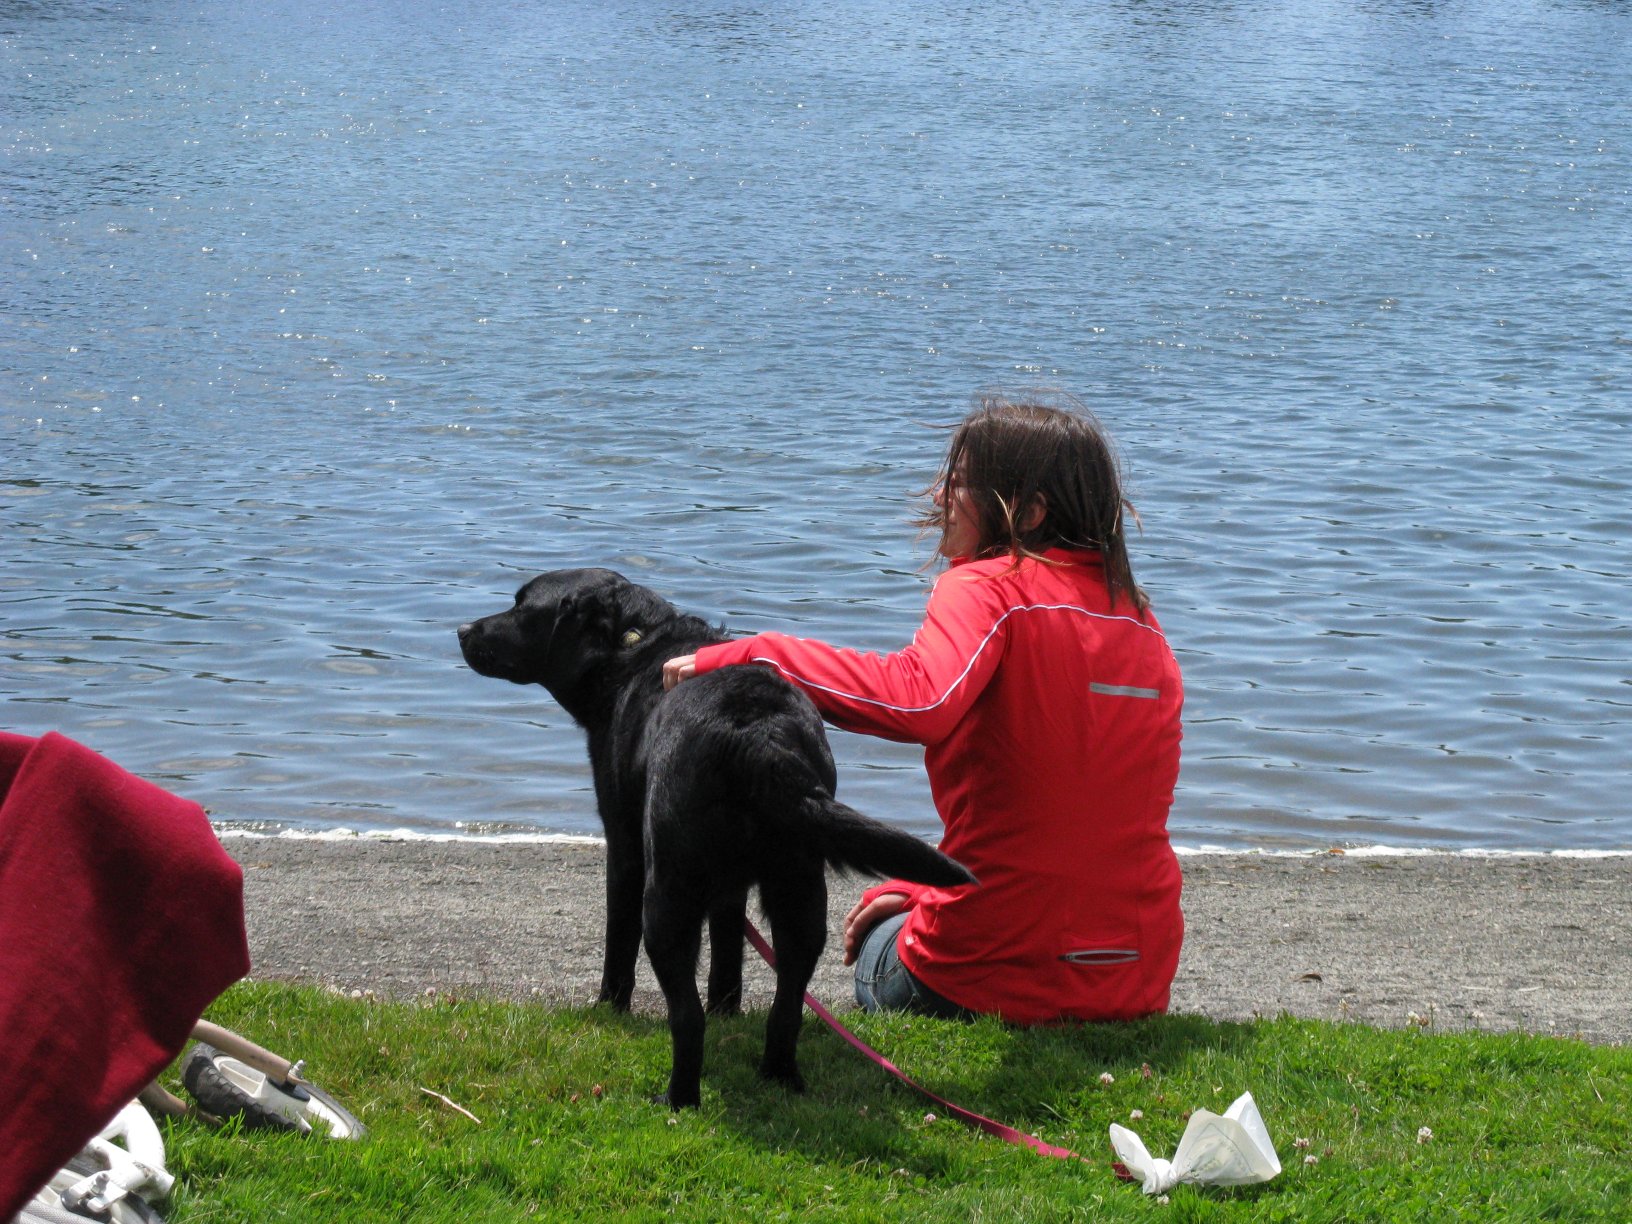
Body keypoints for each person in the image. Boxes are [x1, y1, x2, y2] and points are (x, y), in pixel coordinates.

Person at [662, 394, 1183, 1025]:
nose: (939, 495)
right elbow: (1070, 820)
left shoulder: (988, 587)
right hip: (1132, 982)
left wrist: (756, 654)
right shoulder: (1145, 625)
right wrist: (924, 883)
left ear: (1027, 512)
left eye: (958, 483)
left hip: (988, 976)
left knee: (877, 947)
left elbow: (921, 700)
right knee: (912, 899)